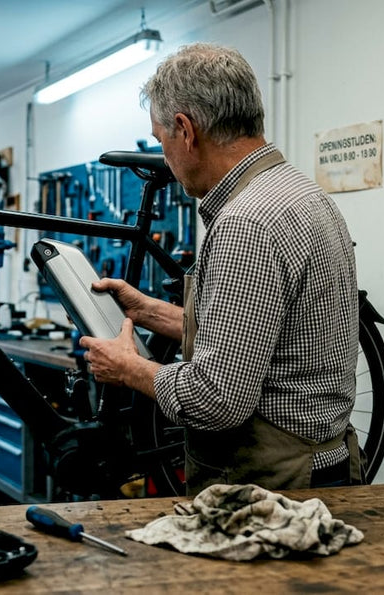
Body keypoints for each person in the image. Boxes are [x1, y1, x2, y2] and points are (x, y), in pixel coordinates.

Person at [79, 43, 362, 494]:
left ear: (186, 131)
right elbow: (253, 336)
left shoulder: (246, 224)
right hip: (323, 462)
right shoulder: (303, 194)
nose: (166, 160)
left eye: (161, 141)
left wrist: (129, 368)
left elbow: (215, 400)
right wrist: (150, 311)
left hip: (272, 484)